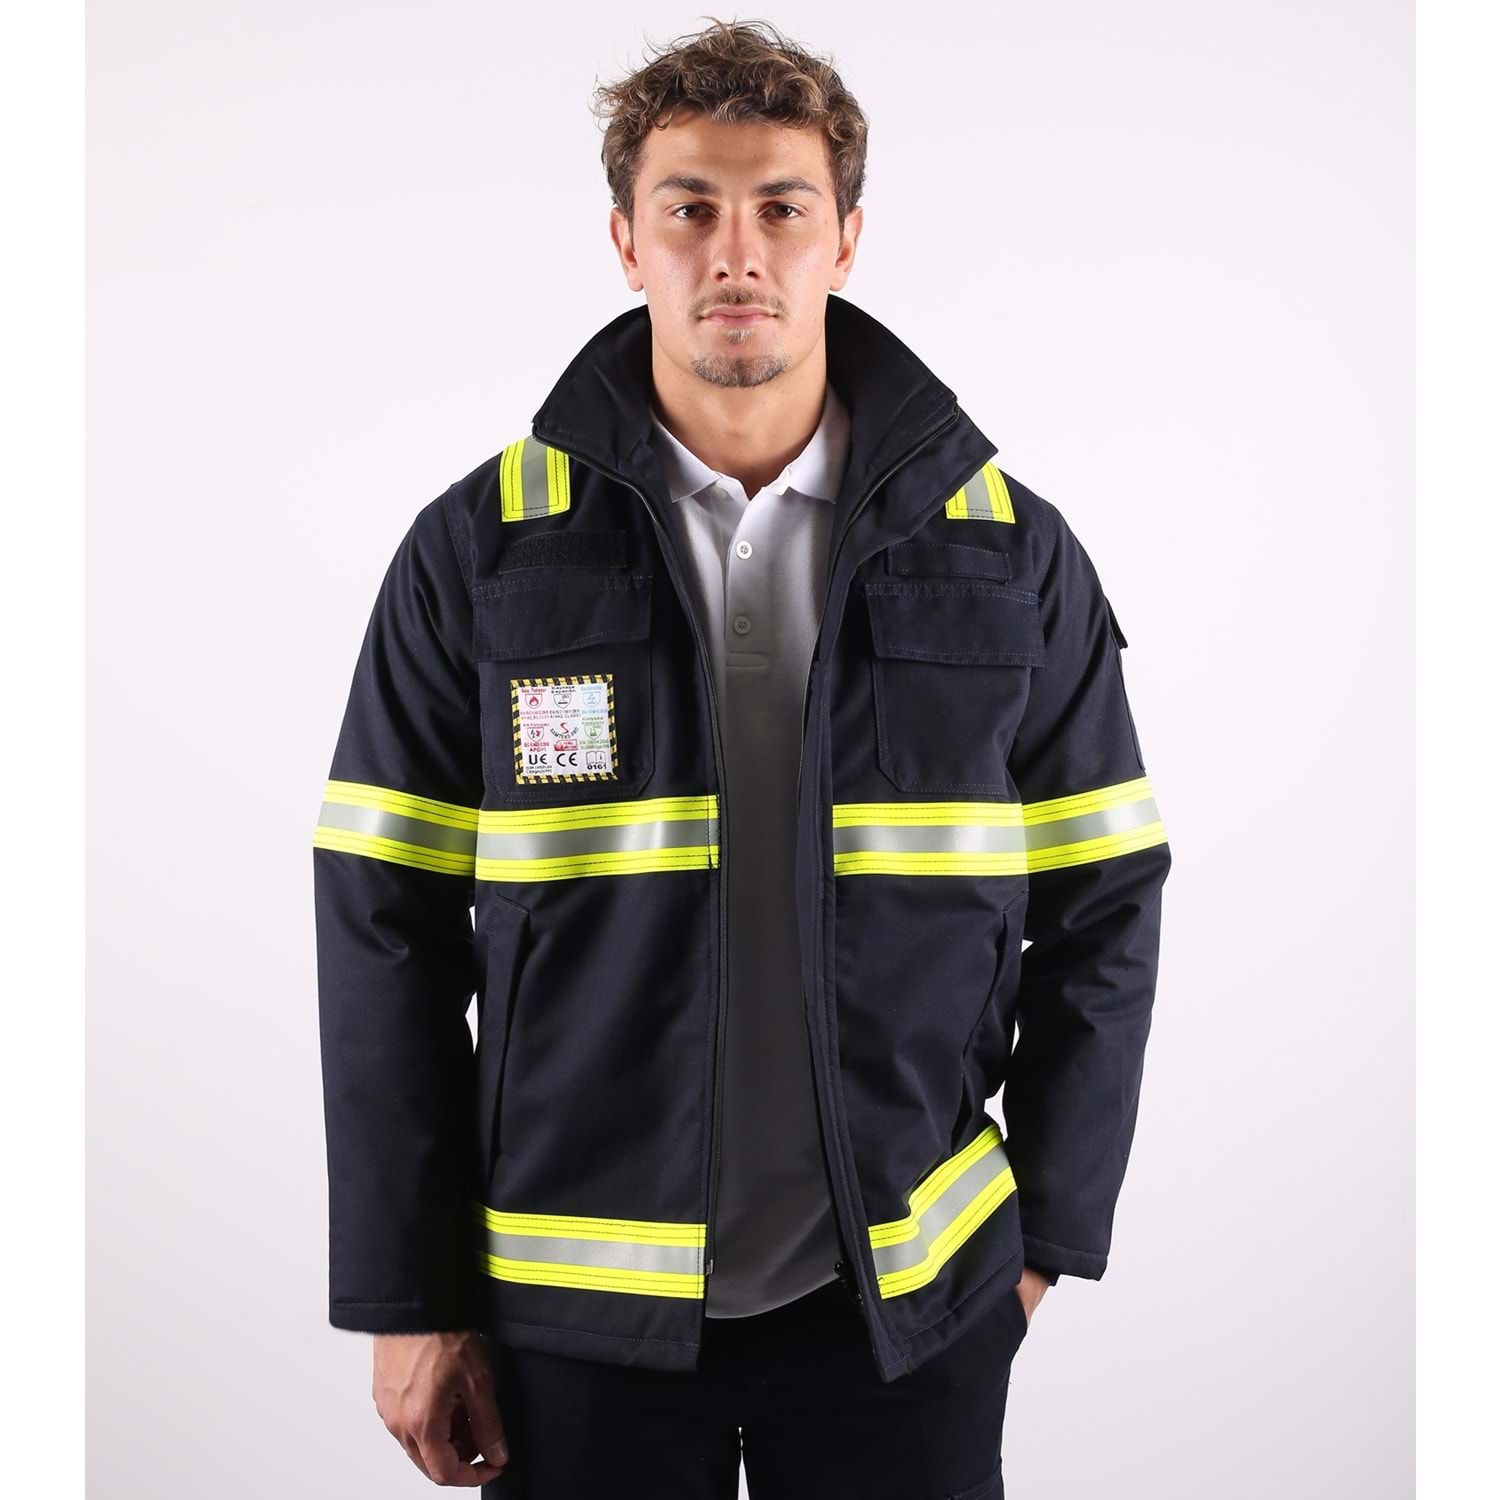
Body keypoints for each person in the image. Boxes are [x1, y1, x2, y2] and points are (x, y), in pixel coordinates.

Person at [312, 17, 1171, 1497]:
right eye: (689, 207)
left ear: (846, 238)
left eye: (781, 206)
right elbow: (380, 930)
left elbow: (1108, 904)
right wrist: (410, 1297)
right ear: (625, 242)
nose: (736, 252)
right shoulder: (483, 550)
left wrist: (1040, 1246)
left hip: (910, 1308)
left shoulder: (1009, 555)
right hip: (572, 1317)